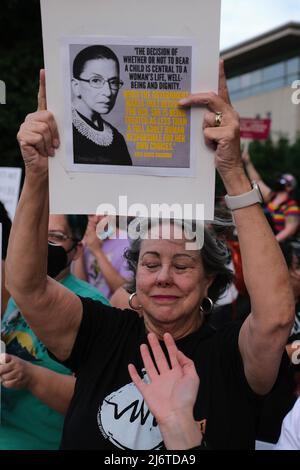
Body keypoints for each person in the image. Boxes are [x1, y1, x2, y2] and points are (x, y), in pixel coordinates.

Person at [5, 63, 295, 450]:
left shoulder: (229, 355)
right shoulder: (101, 333)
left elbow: (276, 318)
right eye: (151, 263)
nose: (163, 277)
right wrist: (38, 174)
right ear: (135, 275)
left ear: (210, 278)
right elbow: (25, 285)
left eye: (182, 265)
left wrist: (232, 170)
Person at [0, 214, 109, 450]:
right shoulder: (18, 288)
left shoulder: (91, 305)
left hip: (39, 441)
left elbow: (94, 398)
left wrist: (29, 375)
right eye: (35, 233)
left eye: (54, 237)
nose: (40, 244)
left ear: (77, 249)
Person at [71, 45, 132, 166]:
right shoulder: (60, 129)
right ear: (76, 86)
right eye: (96, 80)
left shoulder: (116, 139)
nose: (108, 92)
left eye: (113, 82)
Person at [242, 150, 300, 241]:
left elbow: (289, 230)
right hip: (266, 240)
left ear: (290, 187)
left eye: (283, 181)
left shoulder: (291, 207)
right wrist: (247, 162)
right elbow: (257, 182)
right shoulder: (271, 197)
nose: (280, 182)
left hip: (281, 246)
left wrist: (272, 242)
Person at [73, 214, 132, 299]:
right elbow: (81, 286)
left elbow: (123, 291)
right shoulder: (87, 240)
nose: (96, 220)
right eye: (91, 215)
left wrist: (97, 251)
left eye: (104, 215)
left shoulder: (127, 243)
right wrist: (81, 249)